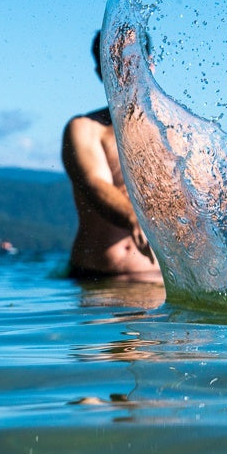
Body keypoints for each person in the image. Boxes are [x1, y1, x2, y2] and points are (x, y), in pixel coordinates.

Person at [62, 32, 162, 282]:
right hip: (99, 284)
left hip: (161, 285)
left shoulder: (181, 133)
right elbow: (95, 184)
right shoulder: (85, 128)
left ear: (150, 63)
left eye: (131, 55)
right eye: (112, 59)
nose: (123, 65)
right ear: (100, 72)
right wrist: (134, 219)